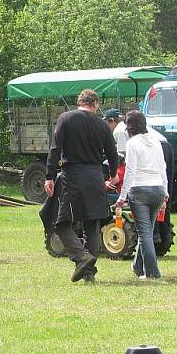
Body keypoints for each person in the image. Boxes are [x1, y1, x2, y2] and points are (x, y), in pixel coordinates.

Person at [44, 89, 119, 284]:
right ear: (95, 104)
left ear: (80, 102)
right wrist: (113, 175)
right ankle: (89, 274)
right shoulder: (103, 125)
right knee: (91, 226)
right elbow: (112, 153)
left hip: (73, 177)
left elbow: (55, 149)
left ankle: (81, 257)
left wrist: (49, 176)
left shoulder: (66, 118)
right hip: (95, 178)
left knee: (61, 224)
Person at [117, 110, 169, 280]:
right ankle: (138, 267)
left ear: (129, 126)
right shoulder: (156, 141)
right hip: (158, 189)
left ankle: (153, 272)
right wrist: (166, 191)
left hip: (139, 190)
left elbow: (130, 171)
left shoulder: (132, 143)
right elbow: (163, 167)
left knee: (144, 233)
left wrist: (122, 196)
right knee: (147, 230)